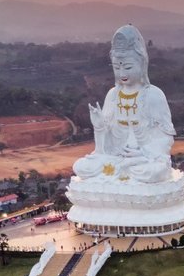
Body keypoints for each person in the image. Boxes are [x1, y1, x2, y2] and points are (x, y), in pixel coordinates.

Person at [72, 25, 175, 184]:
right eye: (116, 67)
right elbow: (104, 149)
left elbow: (166, 138)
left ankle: (128, 169)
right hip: (114, 158)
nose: (122, 73)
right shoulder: (113, 95)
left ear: (142, 64)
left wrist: (145, 152)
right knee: (81, 167)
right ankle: (121, 170)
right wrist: (99, 127)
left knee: (154, 172)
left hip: (143, 159)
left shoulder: (153, 94)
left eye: (127, 67)